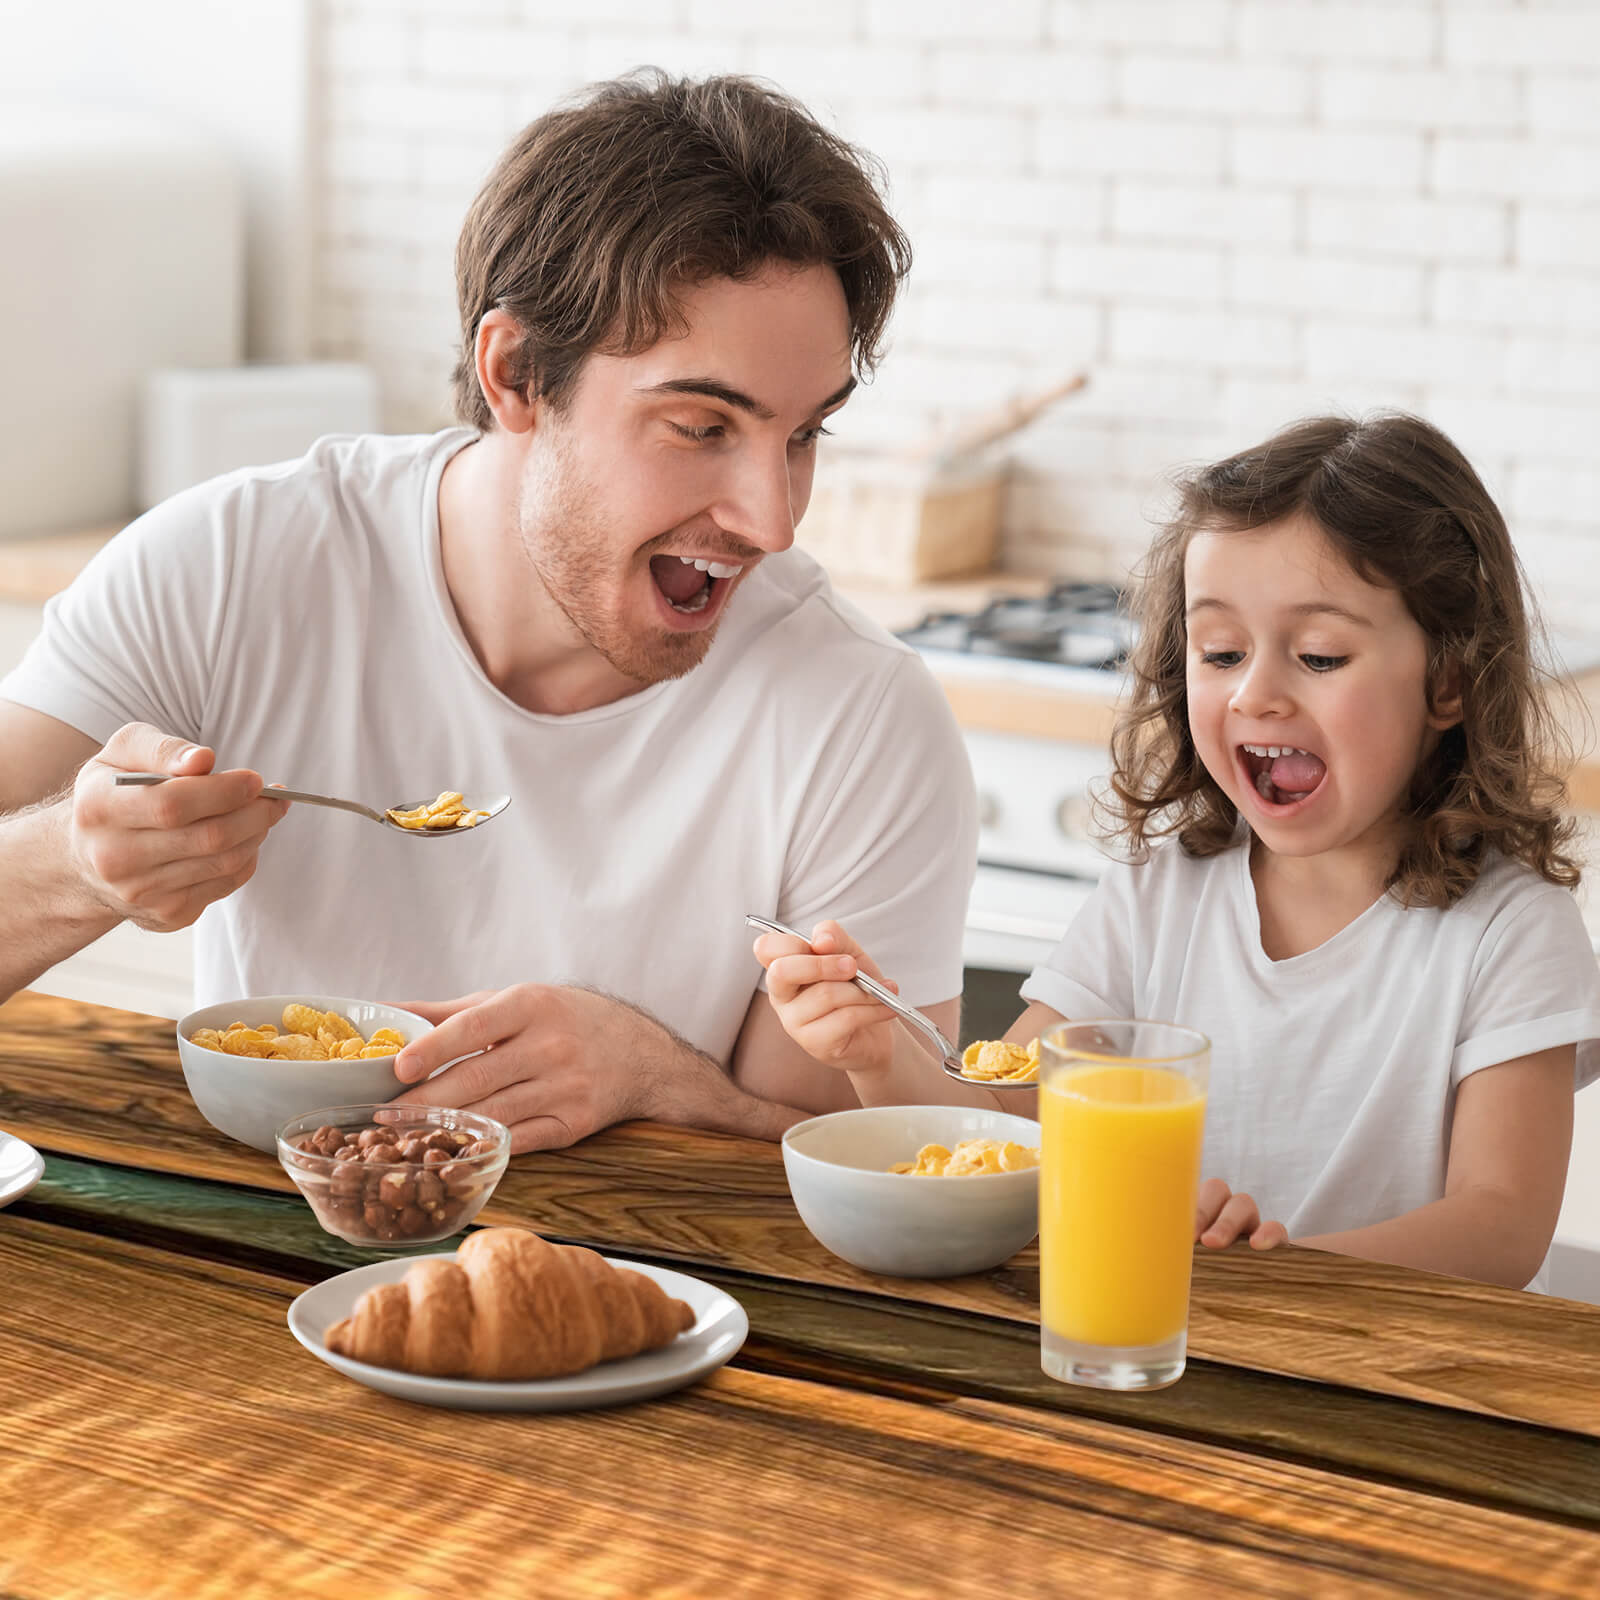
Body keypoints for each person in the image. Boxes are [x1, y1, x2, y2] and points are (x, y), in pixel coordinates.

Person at [0, 72, 976, 1152]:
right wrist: (77, 866)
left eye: (803, 436)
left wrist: (653, 1073)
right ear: (515, 373)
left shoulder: (858, 713)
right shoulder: (230, 567)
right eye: (702, 426)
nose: (773, 520)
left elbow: (860, 1173)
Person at [756, 412, 1600, 1290]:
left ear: (1449, 679)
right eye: (1222, 650)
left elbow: (1501, 1227)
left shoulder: (1512, 931)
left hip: (1390, 1382)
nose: (1257, 693)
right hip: (1160, 1350)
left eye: (1318, 655)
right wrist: (879, 1053)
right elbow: (1007, 1125)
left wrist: (1270, 1272)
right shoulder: (1161, 895)